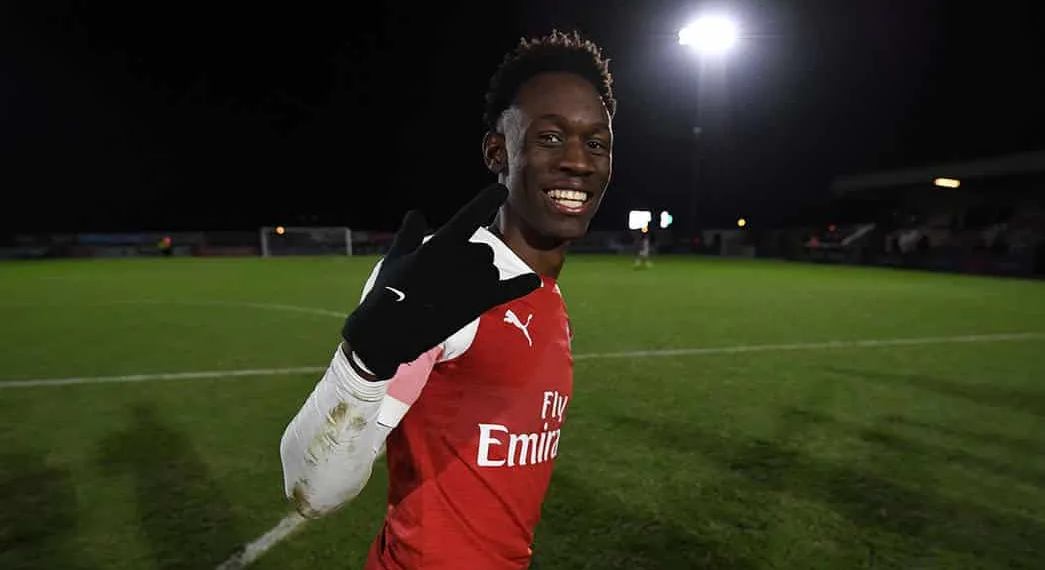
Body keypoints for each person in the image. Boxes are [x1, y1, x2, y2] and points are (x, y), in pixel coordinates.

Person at [278, 30, 616, 569]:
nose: (578, 161)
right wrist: (363, 361)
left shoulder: (542, 288)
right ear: (497, 151)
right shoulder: (444, 281)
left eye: (595, 143)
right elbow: (313, 491)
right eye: (550, 137)